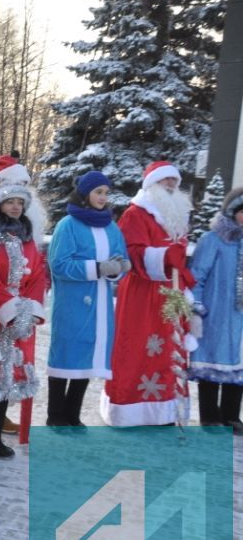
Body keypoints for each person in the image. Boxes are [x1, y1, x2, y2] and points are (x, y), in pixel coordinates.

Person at [103, 162, 195, 426]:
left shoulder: (178, 216)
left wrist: (177, 262)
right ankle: (130, 407)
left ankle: (166, 410)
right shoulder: (135, 214)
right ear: (152, 184)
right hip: (143, 293)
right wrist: (165, 256)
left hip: (171, 291)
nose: (170, 185)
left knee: (169, 348)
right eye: (164, 180)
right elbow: (130, 252)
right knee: (135, 346)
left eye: (173, 182)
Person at [0, 155, 47, 457]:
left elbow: (39, 273)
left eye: (20, 202)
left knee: (7, 379)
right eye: (10, 201)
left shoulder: (26, 233)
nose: (15, 207)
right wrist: (8, 309)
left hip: (20, 319)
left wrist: (29, 309)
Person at [46, 171, 130, 427]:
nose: (103, 197)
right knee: (66, 355)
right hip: (73, 303)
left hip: (101, 303)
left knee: (89, 357)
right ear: (85, 194)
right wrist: (96, 268)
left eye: (106, 192)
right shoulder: (68, 225)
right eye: (98, 192)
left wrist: (119, 267)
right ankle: (55, 416)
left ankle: (73, 414)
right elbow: (59, 264)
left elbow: (120, 255)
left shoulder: (111, 226)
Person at [188, 187, 243, 435]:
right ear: (233, 211)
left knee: (238, 365)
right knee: (211, 361)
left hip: (239, 318)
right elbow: (197, 276)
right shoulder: (213, 240)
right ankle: (209, 415)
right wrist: (197, 306)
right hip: (215, 314)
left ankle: (231, 415)